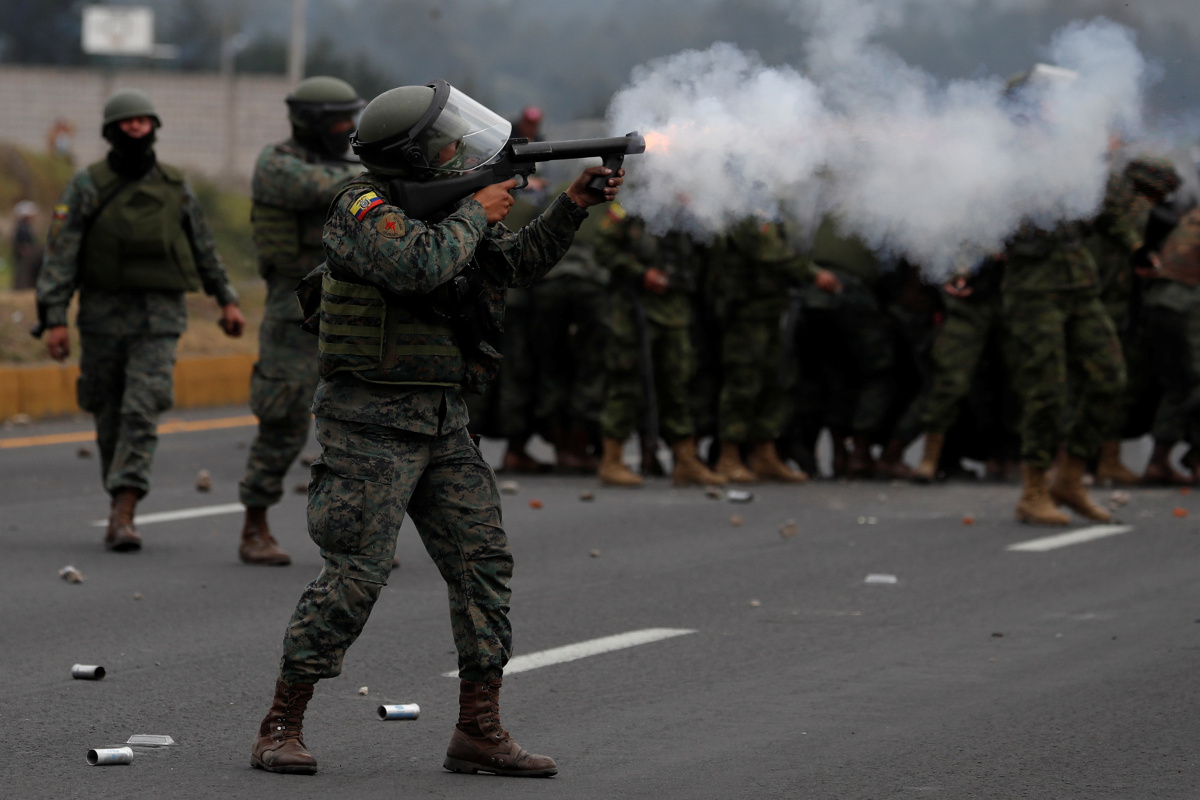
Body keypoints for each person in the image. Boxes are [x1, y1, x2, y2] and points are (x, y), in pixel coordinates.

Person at [249, 80, 623, 778]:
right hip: (369, 424)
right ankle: (280, 724)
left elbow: (515, 266)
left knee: (483, 567)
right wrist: (477, 212)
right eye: (446, 141)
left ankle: (479, 729)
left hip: (443, 419)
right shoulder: (359, 206)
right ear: (414, 154)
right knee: (354, 579)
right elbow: (416, 266)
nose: (459, 149)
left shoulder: (455, 207)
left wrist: (572, 207)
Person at [36, 88, 244, 552]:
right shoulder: (87, 185)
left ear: (154, 128)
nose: (136, 128)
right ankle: (119, 493)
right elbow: (61, 254)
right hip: (101, 316)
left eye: (143, 122)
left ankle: (125, 507)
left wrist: (227, 299)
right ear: (112, 131)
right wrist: (53, 318)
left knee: (142, 408)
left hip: (159, 316)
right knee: (107, 411)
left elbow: (203, 246)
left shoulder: (174, 185)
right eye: (127, 123)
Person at [235, 76, 366, 566]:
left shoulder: (355, 166)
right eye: (339, 119)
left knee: (360, 424)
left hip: (349, 307)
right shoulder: (277, 163)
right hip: (293, 308)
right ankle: (254, 526)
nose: (348, 127)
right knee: (284, 418)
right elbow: (323, 188)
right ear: (310, 122)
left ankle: (357, 535)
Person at [594, 209, 727, 488]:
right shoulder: (632, 206)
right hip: (634, 310)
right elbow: (603, 247)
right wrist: (641, 274)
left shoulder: (692, 211)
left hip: (675, 311)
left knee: (677, 384)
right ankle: (611, 460)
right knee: (625, 384)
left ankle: (686, 461)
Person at [709, 217, 810, 483]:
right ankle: (729, 458)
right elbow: (769, 252)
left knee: (774, 381)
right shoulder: (742, 214)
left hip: (770, 310)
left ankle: (765, 454)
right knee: (742, 383)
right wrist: (813, 273)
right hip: (746, 314)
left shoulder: (769, 214)